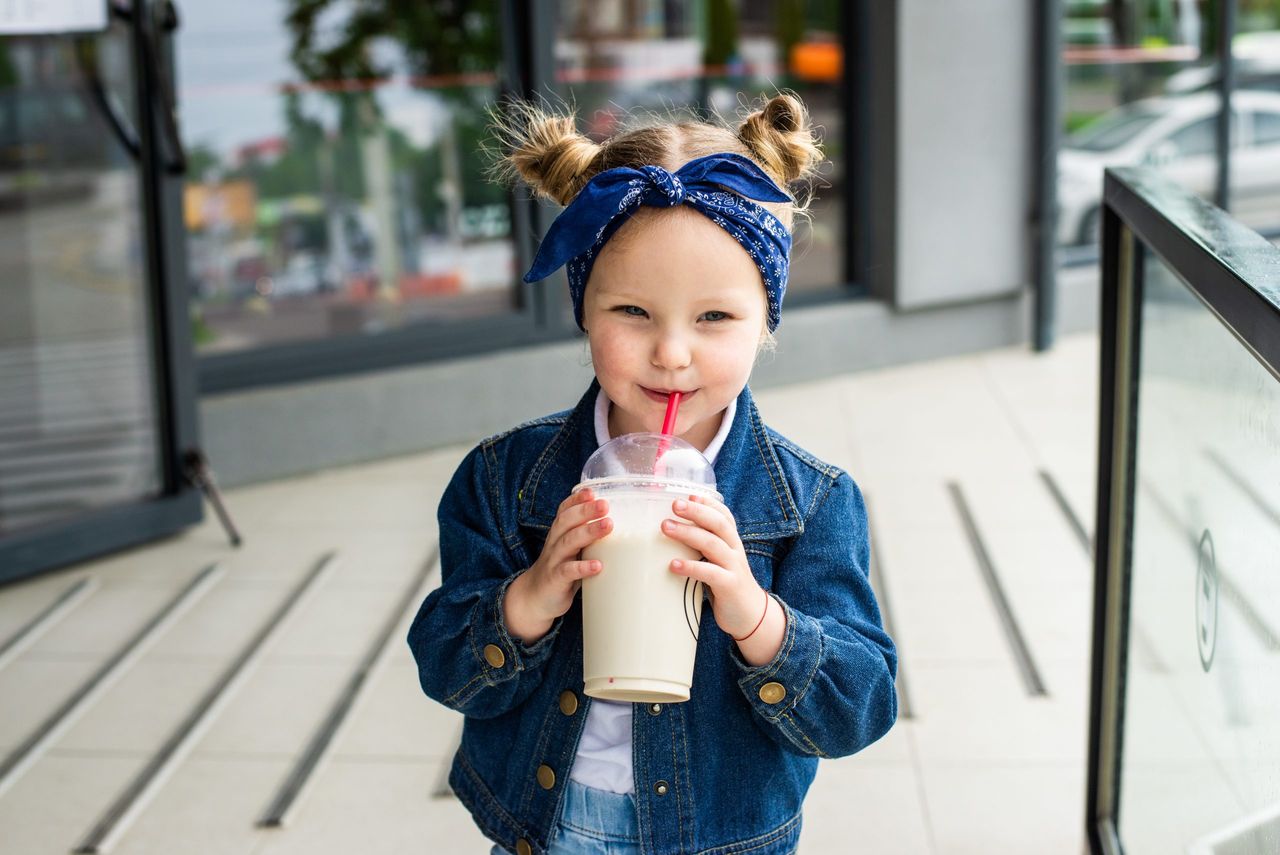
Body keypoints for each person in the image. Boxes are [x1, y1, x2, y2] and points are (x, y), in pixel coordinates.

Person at [407, 92, 897, 855]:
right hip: (543, 827)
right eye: (633, 311)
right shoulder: (503, 480)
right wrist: (530, 597)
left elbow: (857, 708)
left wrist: (754, 613)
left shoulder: (814, 503)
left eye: (714, 318)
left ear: (765, 319)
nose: (672, 353)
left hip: (725, 840)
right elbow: (446, 667)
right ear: (584, 309)